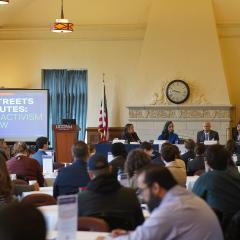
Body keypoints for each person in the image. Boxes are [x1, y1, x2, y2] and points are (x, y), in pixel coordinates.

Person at [97, 166, 223, 240]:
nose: (141, 195)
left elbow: (141, 238)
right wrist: (128, 234)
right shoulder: (183, 196)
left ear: (156, 188)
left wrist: (108, 238)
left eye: (142, 189)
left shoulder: (171, 208)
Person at [78, 154, 144, 230]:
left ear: (90, 174)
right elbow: (140, 226)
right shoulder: (130, 195)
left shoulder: (81, 198)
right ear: (110, 169)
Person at [192, 145, 240, 228]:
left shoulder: (206, 178)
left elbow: (193, 203)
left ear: (207, 161)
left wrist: (207, 171)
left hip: (218, 227)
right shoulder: (236, 174)